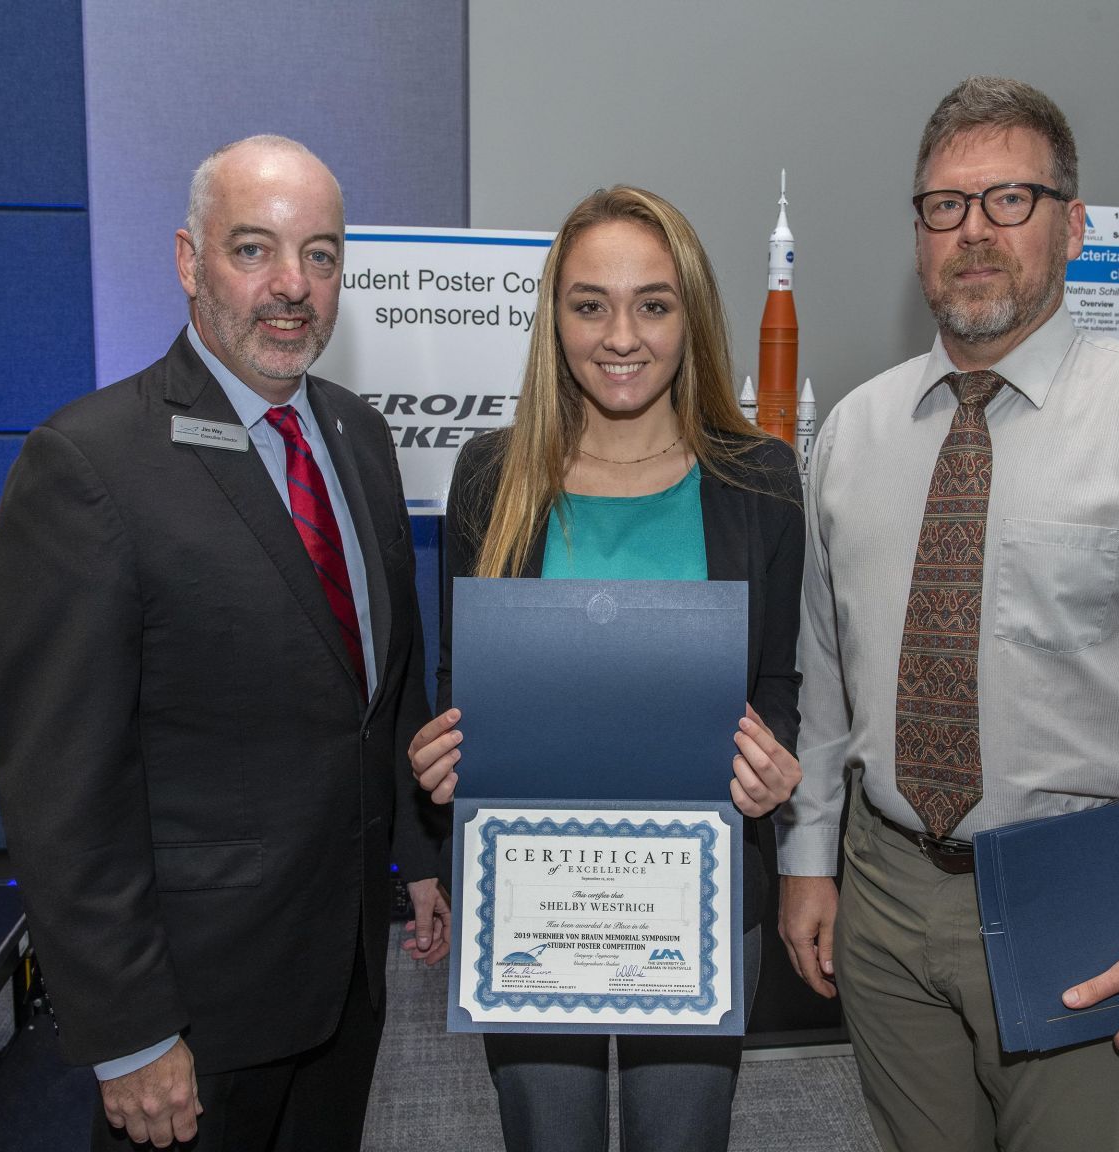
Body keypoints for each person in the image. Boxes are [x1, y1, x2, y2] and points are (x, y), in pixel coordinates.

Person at [774, 76, 1119, 1152]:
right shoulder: (853, 434)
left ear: (1072, 225)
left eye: (1009, 199)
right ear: (918, 233)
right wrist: (809, 857)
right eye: (945, 205)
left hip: (1083, 904)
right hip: (884, 905)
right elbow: (827, 671)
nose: (974, 232)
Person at [0, 135, 448, 1152]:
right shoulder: (89, 467)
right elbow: (63, 792)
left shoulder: (360, 439)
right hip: (195, 1006)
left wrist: (418, 857)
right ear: (189, 261)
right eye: (254, 250)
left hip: (346, 976)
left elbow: (383, 683)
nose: (292, 286)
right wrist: (130, 1032)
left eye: (320, 255)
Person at [408, 185, 805, 1152]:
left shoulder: (758, 477)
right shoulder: (492, 475)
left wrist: (778, 765)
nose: (621, 335)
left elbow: (779, 680)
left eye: (653, 304)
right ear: (556, 319)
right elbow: (462, 678)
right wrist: (439, 760)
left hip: (700, 900)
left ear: (690, 316)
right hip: (535, 898)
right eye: (591, 304)